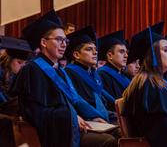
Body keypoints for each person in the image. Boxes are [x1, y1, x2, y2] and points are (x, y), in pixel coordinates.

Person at [12, 10, 117, 147]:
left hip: (71, 126)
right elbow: (35, 113)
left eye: (65, 40)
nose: (64, 44)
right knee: (107, 142)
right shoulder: (32, 71)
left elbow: (74, 101)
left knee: (115, 132)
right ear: (44, 42)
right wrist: (71, 118)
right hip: (56, 134)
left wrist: (93, 117)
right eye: (59, 40)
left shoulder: (61, 72)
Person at [64, 25, 119, 125]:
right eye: (89, 49)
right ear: (76, 55)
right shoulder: (69, 73)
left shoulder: (93, 74)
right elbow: (77, 102)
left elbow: (104, 99)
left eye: (95, 49)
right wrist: (95, 116)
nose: (95, 52)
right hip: (87, 120)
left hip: (103, 117)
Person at [97, 30, 130, 110]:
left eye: (126, 52)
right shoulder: (102, 74)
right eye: (121, 52)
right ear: (110, 55)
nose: (126, 55)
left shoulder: (125, 76)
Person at [0, 36, 32, 116]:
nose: (22, 66)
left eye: (25, 63)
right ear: (9, 60)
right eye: (19, 62)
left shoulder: (16, 75)